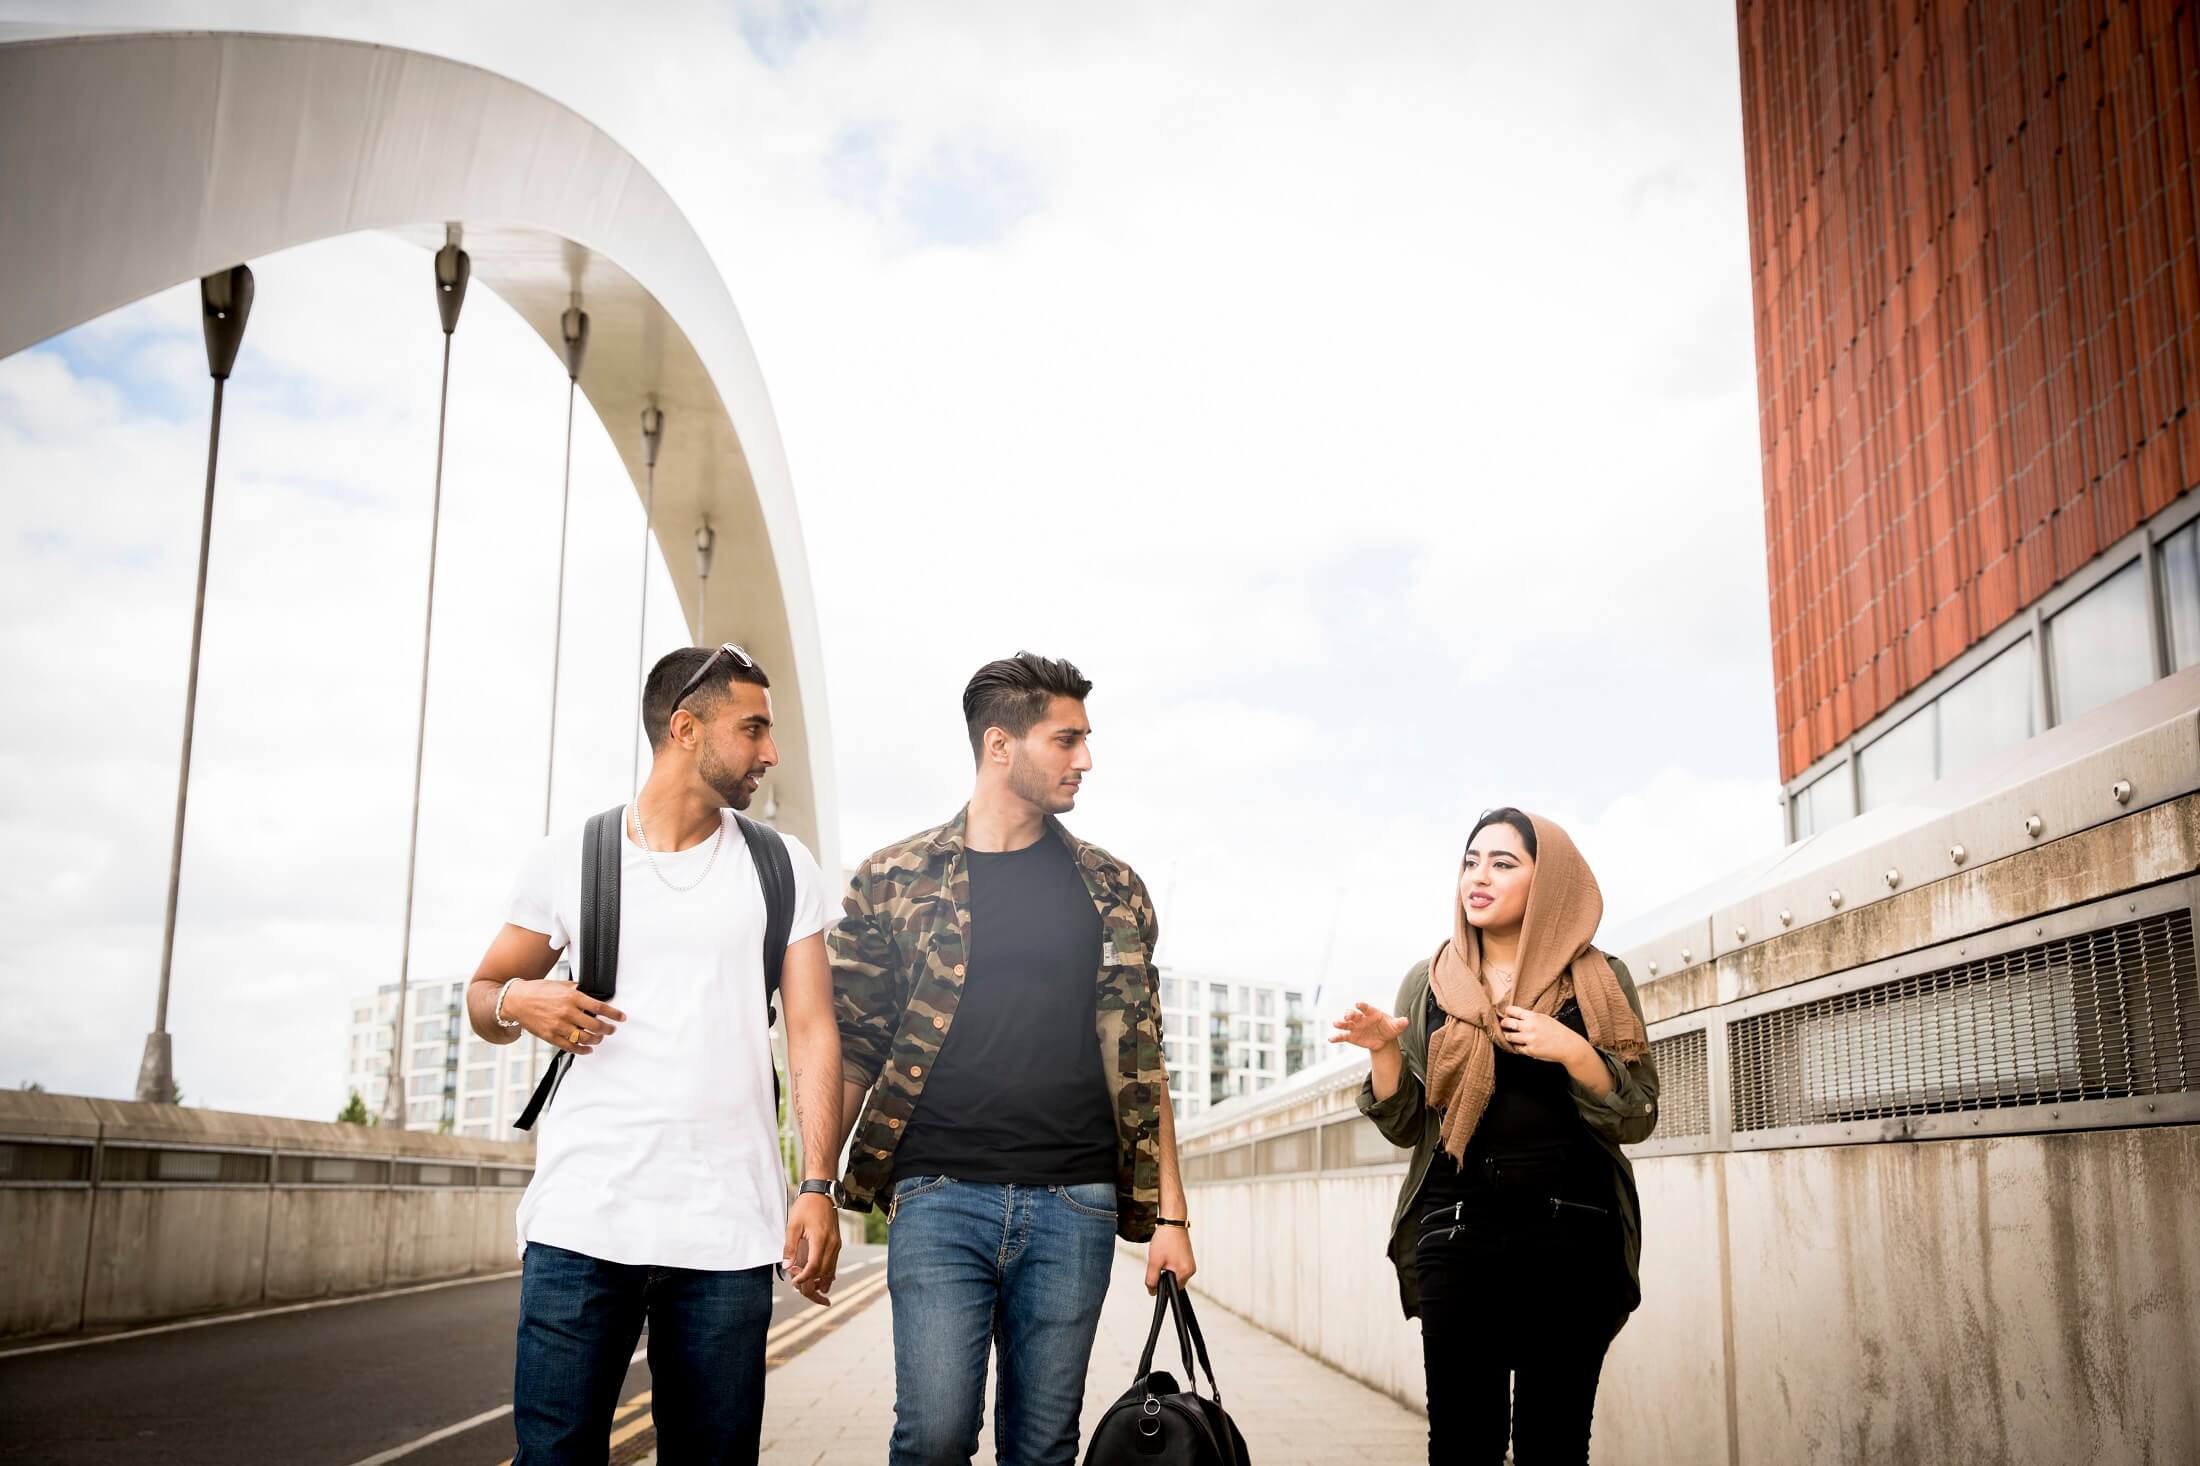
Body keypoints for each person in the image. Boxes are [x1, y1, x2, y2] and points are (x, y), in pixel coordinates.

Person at [467, 643, 843, 1465]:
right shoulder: (573, 857)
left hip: (727, 1239)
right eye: (753, 729)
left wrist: (817, 1185)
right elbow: (483, 997)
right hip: (581, 1230)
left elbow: (813, 1030)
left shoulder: (784, 868)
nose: (771, 752)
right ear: (684, 729)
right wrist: (517, 1001)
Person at [828, 652, 1195, 1466]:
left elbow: (1144, 1062)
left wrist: (1172, 1216)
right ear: (1001, 745)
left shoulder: (1113, 887)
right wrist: (816, 1189)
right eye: (1066, 741)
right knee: (934, 1434)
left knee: (1043, 1446)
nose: (1086, 760)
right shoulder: (891, 880)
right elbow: (854, 1047)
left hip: (1077, 1203)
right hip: (938, 1194)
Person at [1332, 807, 1658, 1465]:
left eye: (1503, 863)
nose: (1478, 877)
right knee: (1461, 1441)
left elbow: (1637, 1114)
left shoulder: (1599, 980)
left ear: (1550, 883)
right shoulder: (1429, 982)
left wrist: (1572, 1051)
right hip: (1458, 1228)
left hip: (1575, 1233)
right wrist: (1382, 1055)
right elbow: (1404, 1128)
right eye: (1471, 861)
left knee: (1553, 1443)